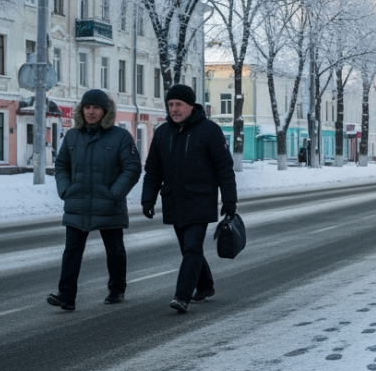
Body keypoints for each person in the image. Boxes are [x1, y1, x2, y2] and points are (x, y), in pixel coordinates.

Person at [141, 84, 238, 314]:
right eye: (171, 104)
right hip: (174, 199)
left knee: (192, 247)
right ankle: (205, 285)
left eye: (179, 105)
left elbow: (224, 167)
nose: (174, 109)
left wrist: (229, 199)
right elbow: (153, 169)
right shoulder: (163, 133)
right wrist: (148, 199)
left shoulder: (209, 131)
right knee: (188, 249)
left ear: (191, 106)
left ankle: (182, 296)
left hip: (200, 200)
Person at [47, 89, 141, 312]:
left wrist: (114, 193)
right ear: (82, 109)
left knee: (115, 250)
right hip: (77, 203)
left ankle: (117, 289)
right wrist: (66, 190)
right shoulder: (72, 136)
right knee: (72, 251)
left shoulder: (120, 137)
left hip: (108, 203)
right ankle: (66, 296)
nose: (91, 112)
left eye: (96, 108)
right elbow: (61, 165)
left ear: (104, 111)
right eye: (87, 107)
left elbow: (132, 168)